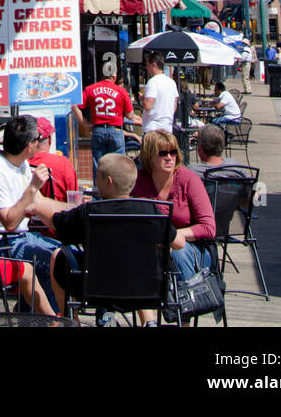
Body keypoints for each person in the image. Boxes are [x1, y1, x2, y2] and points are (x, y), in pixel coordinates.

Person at [32, 153, 174, 323]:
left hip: (97, 291)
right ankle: (149, 321)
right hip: (144, 290)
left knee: (59, 256)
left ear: (108, 181)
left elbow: (57, 223)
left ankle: (71, 321)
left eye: (97, 177)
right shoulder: (151, 211)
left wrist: (36, 206)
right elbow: (174, 240)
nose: (95, 182)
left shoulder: (91, 211)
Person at [0, 114, 62, 306]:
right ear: (29, 146)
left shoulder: (21, 164)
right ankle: (48, 319)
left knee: (63, 254)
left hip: (18, 238)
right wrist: (33, 187)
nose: (41, 142)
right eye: (38, 139)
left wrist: (74, 209)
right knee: (55, 263)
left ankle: (34, 316)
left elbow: (40, 202)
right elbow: (9, 223)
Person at [131, 130, 217, 303]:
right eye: (163, 153)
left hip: (193, 250)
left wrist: (175, 236)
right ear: (149, 156)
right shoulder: (137, 181)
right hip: (149, 246)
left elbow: (209, 227)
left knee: (179, 251)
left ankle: (185, 310)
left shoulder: (189, 180)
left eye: (173, 152)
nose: (169, 157)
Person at [72, 63, 140, 185]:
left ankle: (98, 196)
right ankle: (117, 195)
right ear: (114, 76)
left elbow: (75, 106)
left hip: (98, 130)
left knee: (99, 165)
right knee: (118, 165)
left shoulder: (90, 89)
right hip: (116, 131)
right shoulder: (121, 91)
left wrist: (84, 123)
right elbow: (130, 115)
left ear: (101, 75)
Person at [28, 117, 78, 209]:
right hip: (55, 219)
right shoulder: (63, 163)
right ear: (50, 139)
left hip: (23, 219)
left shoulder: (20, 163)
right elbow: (74, 201)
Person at [141, 52, 180, 135]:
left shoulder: (153, 82)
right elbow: (174, 106)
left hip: (153, 129)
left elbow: (148, 106)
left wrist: (142, 99)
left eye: (148, 65)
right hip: (167, 129)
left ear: (154, 65)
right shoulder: (172, 82)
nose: (146, 68)